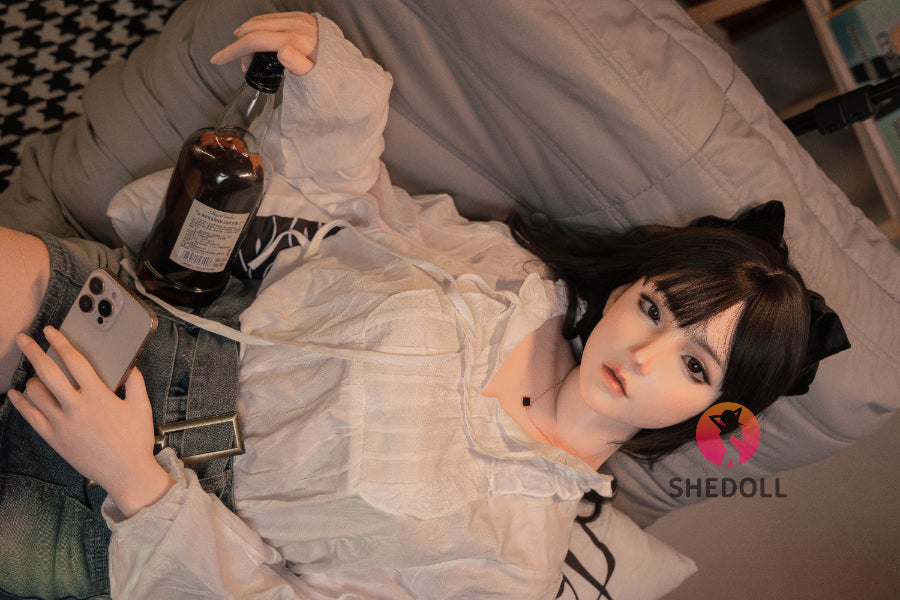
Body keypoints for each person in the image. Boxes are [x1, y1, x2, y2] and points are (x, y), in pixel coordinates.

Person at [0, 11, 824, 600]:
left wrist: (136, 480)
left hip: (138, 525)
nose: (644, 356)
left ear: (714, 412)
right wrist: (330, 81)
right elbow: (357, 207)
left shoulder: (515, 571)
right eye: (656, 310)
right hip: (166, 333)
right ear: (623, 292)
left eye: (693, 365)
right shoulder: (513, 283)